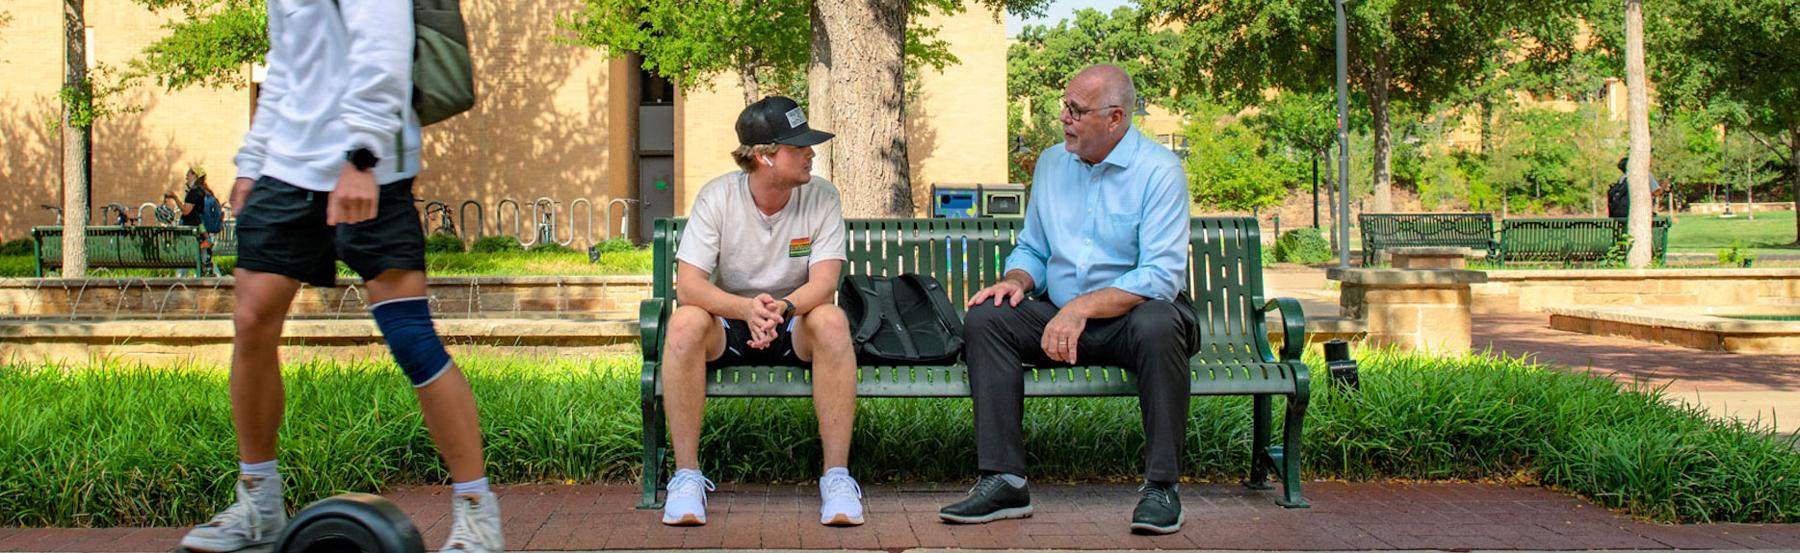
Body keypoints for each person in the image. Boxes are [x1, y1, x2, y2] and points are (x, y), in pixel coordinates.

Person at [177, 2, 503, 552]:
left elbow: (384, 46)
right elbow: (285, 64)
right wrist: (253, 163)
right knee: (251, 319)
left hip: (370, 167)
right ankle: (258, 504)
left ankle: (477, 515)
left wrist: (362, 155)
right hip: (287, 166)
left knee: (411, 338)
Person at [938, 64, 1198, 535]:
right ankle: (1003, 480)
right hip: (1061, 319)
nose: (1064, 118)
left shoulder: (1159, 171)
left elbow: (1160, 276)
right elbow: (1034, 247)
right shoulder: (1052, 163)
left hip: (1132, 318)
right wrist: (1016, 279)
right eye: (1065, 106)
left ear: (1115, 118)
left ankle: (1162, 488)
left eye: (1076, 110)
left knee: (1160, 322)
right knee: (987, 318)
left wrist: (1080, 308)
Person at [657, 96, 862, 527]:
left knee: (830, 319)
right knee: (683, 322)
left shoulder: (822, 196)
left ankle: (837, 478)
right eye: (798, 146)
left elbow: (825, 283)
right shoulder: (718, 197)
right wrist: (745, 309)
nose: (811, 153)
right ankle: (686, 476)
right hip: (728, 324)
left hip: (795, 323)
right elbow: (689, 285)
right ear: (764, 157)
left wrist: (782, 308)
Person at [165, 167, 217, 277]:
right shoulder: (200, 191)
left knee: (186, 255)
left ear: (194, 176)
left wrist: (175, 197)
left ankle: (180, 279)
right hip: (198, 229)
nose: (186, 177)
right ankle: (216, 277)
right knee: (203, 257)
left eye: (188, 175)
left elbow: (186, 211)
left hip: (191, 230)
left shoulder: (194, 192)